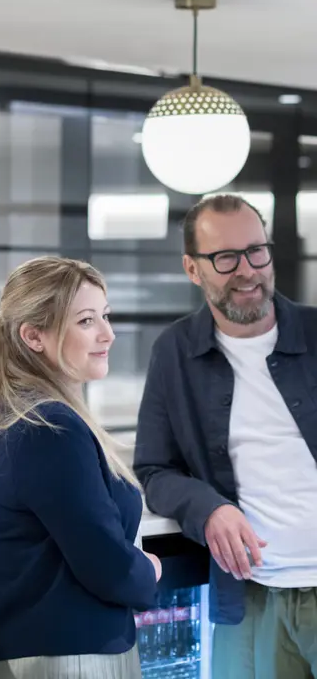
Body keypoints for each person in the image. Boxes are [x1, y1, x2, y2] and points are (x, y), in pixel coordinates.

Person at [0, 256, 161, 679]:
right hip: (71, 660)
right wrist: (149, 570)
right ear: (33, 336)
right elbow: (107, 566)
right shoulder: (50, 427)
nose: (107, 334)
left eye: (105, 316)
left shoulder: (10, 415)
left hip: (28, 655)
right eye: (86, 321)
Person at [134, 193, 317, 678]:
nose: (247, 271)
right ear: (193, 269)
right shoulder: (175, 352)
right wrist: (209, 507)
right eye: (225, 258)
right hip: (249, 597)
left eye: (257, 251)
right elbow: (154, 470)